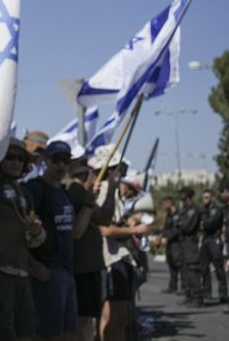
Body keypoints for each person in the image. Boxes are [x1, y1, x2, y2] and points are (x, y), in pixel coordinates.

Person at [0, 139, 43, 341]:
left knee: (26, 332)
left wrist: (35, 231)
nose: (15, 162)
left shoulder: (25, 192)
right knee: (1, 333)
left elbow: (34, 239)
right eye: (10, 157)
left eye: (20, 159)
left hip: (21, 273)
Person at [93, 149, 149, 340]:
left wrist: (127, 223)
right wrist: (133, 230)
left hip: (121, 257)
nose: (124, 172)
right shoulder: (103, 190)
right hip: (110, 258)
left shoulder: (114, 194)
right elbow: (105, 229)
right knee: (111, 316)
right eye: (119, 168)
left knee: (121, 317)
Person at [25, 141, 77, 341]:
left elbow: (75, 233)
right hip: (46, 273)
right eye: (56, 160)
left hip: (66, 271)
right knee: (47, 335)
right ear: (46, 161)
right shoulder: (36, 189)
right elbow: (20, 229)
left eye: (66, 161)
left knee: (68, 334)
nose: (61, 166)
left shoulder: (64, 192)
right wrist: (33, 265)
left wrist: (89, 205)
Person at [67, 158, 115, 341]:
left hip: (86, 268)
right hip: (83, 268)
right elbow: (104, 218)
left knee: (87, 320)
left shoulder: (77, 190)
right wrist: (111, 188)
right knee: (84, 322)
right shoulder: (77, 190)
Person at [176, 186, 203, 307]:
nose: (181, 195)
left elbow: (188, 227)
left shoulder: (193, 210)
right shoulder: (184, 209)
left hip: (190, 242)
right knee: (185, 270)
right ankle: (189, 295)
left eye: (183, 193)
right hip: (183, 242)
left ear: (188, 195)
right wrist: (181, 224)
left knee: (193, 270)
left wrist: (181, 224)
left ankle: (197, 298)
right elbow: (178, 223)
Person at [199, 189, 228, 302]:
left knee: (219, 268)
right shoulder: (203, 209)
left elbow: (211, 224)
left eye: (207, 197)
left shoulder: (217, 209)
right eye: (203, 197)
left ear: (212, 198)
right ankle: (207, 293)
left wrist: (203, 223)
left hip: (214, 239)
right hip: (206, 240)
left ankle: (223, 294)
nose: (204, 200)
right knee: (204, 267)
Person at [158, 196, 182, 294]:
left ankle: (184, 287)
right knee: (171, 264)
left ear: (170, 202)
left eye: (165, 203)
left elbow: (177, 230)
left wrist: (168, 237)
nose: (164, 205)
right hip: (169, 243)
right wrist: (161, 237)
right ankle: (173, 286)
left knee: (179, 264)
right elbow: (166, 228)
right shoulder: (169, 214)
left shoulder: (178, 214)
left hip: (176, 242)